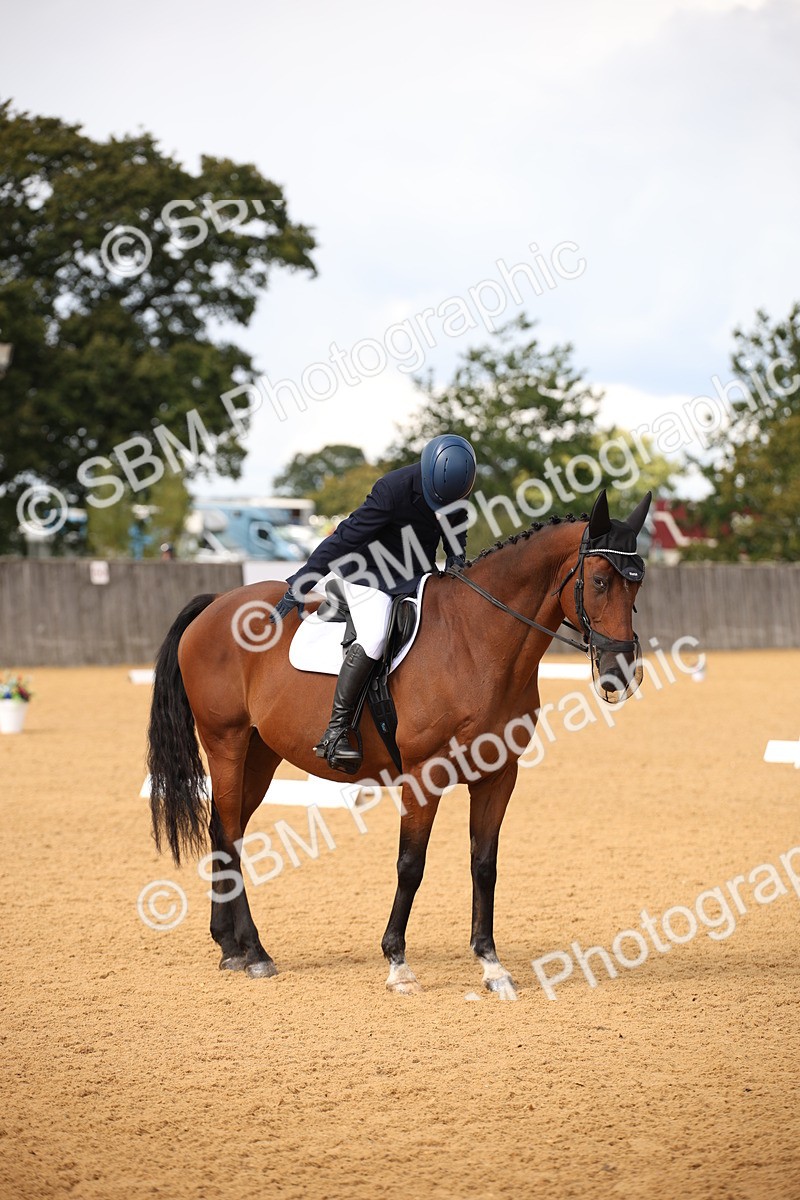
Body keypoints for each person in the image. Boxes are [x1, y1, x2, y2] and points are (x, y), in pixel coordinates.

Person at [271, 434, 477, 771]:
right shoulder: (392, 490)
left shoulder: (454, 491)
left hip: (416, 577)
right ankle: (336, 731)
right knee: (375, 636)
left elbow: (456, 543)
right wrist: (302, 582)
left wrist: (456, 570)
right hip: (367, 576)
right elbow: (345, 537)